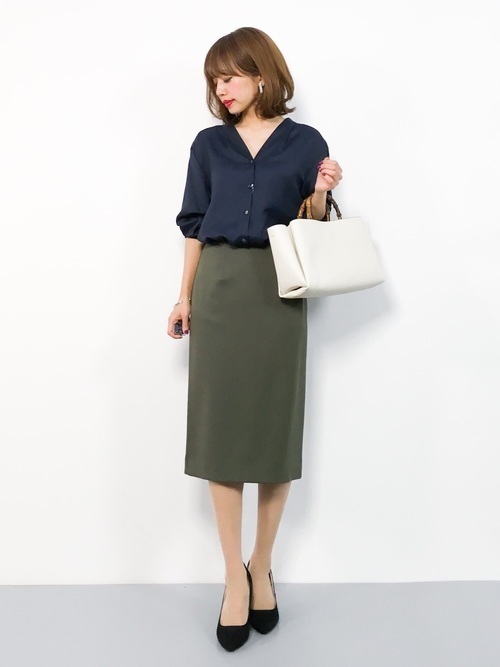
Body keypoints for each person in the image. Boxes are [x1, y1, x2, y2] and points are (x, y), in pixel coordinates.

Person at [167, 27, 342, 652]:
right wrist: (185, 295)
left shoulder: (306, 142)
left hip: (278, 291)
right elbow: (194, 225)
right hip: (219, 288)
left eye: (230, 76)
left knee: (272, 430)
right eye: (215, 79)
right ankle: (231, 577)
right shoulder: (208, 144)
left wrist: (320, 191)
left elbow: (311, 227)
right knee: (221, 434)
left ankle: (261, 565)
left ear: (261, 74)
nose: (221, 88)